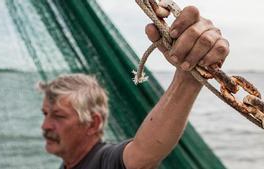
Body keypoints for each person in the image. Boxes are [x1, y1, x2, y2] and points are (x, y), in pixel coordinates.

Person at [39, 5, 230, 169]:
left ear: (93, 123)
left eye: (59, 116)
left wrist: (188, 79)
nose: (45, 126)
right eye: (45, 114)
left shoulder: (105, 161)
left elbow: (142, 155)